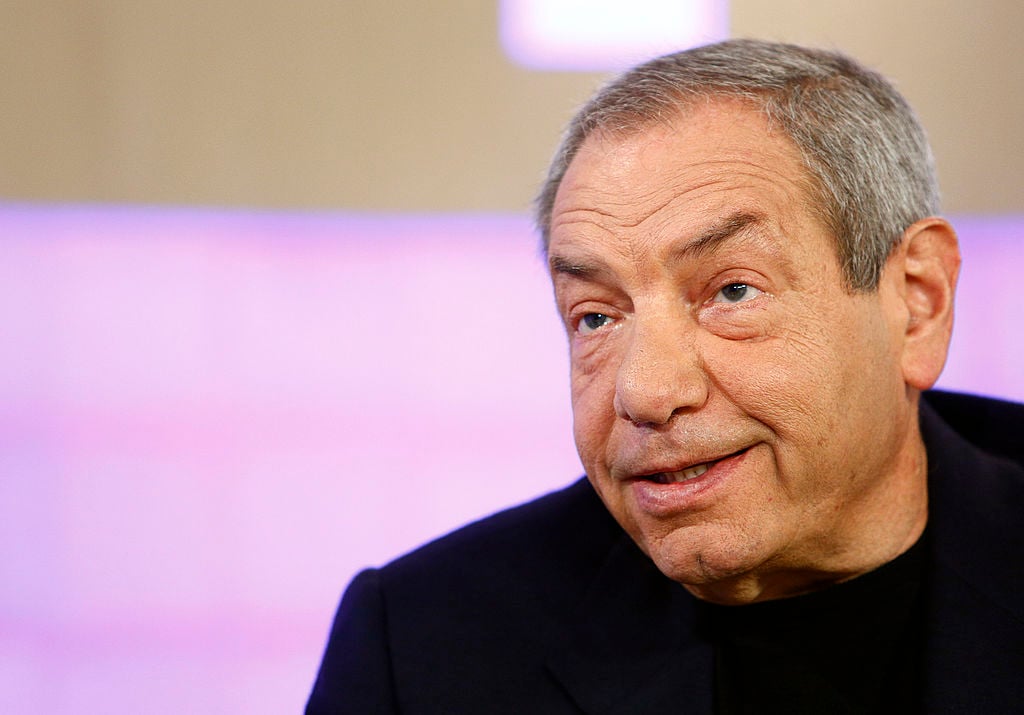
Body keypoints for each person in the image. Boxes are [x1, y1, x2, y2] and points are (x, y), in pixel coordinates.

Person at [306, 39, 1024, 714]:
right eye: (596, 317)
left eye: (732, 292)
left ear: (917, 302)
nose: (645, 393)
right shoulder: (421, 650)